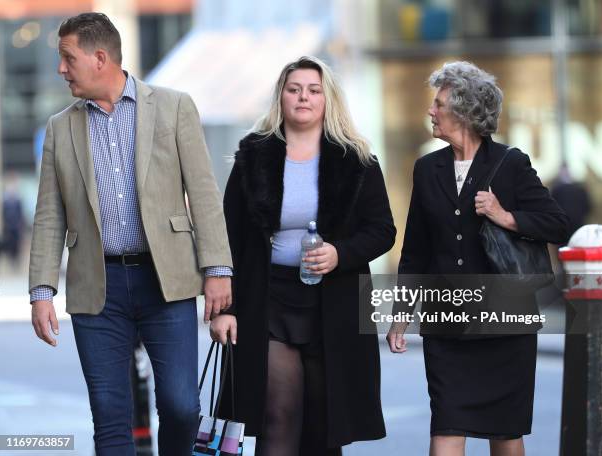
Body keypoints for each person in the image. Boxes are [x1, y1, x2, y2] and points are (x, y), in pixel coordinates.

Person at [28, 13, 233, 456]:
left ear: (100, 58)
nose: (61, 69)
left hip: (167, 282)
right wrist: (41, 291)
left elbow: (203, 192)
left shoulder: (175, 107)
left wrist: (218, 270)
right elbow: (49, 215)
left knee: (181, 406)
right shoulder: (60, 128)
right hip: (97, 289)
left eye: (67, 58)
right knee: (109, 414)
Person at [210, 56, 396, 456]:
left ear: (327, 99)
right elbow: (228, 237)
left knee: (324, 424)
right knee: (278, 414)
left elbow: (383, 231)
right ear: (281, 97)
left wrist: (339, 253)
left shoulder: (357, 160)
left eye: (313, 90)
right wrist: (223, 309)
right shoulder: (253, 156)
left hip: (336, 304)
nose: (303, 97)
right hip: (267, 300)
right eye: (294, 89)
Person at [387, 61, 569, 456]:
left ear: (467, 111)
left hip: (505, 325)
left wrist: (506, 216)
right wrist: (402, 311)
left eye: (439, 104)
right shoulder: (427, 168)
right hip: (446, 323)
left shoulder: (511, 163)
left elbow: (557, 223)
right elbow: (415, 247)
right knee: (447, 426)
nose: (431, 111)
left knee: (504, 433)